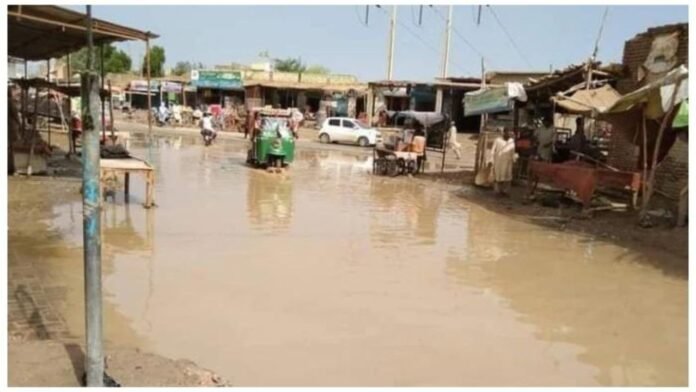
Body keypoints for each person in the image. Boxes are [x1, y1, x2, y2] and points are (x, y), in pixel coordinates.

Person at [488, 127, 517, 196]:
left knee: (507, 177)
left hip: (508, 162)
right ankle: (497, 191)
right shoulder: (497, 140)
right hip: (499, 162)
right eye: (507, 132)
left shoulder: (511, 141)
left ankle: (505, 191)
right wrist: (491, 160)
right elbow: (492, 150)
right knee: (498, 176)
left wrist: (514, 160)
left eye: (510, 133)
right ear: (503, 133)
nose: (508, 134)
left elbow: (513, 152)